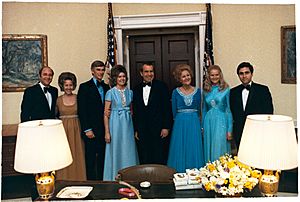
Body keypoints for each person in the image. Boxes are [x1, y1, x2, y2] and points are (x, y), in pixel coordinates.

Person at [103, 65, 139, 181]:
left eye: (123, 76)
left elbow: (132, 111)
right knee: (117, 149)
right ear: (115, 78)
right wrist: (107, 132)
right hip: (115, 124)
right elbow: (105, 114)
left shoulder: (130, 92)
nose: (122, 79)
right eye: (119, 77)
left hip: (128, 125)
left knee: (128, 149)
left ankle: (130, 176)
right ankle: (115, 176)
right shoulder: (110, 92)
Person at [132, 62, 172, 165]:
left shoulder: (162, 87)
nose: (149, 74)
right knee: (144, 156)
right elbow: (135, 111)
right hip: (142, 129)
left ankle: (159, 180)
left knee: (159, 156)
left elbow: (167, 108)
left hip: (158, 129)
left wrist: (166, 127)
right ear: (141, 73)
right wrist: (136, 129)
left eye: (151, 71)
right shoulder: (135, 89)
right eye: (146, 71)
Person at [167, 64, 204, 172]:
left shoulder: (198, 92)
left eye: (188, 75)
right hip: (180, 123)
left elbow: (200, 110)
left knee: (193, 147)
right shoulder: (175, 92)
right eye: (183, 76)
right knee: (180, 148)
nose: (186, 78)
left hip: (194, 122)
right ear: (179, 79)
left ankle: (194, 175)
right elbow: (174, 111)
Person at [77, 60, 110, 180]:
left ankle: (102, 182)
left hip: (104, 129)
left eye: (102, 70)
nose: (101, 72)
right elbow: (82, 110)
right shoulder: (84, 87)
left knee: (103, 157)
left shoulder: (107, 87)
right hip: (90, 129)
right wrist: (87, 129)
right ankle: (91, 182)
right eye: (98, 70)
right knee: (90, 158)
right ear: (92, 71)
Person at [230, 62, 274, 151]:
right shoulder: (233, 92)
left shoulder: (263, 90)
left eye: (247, 73)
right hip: (239, 131)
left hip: (257, 130)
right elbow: (231, 112)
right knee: (242, 156)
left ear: (252, 74)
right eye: (241, 73)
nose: (244, 76)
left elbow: (269, 111)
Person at [55, 72, 86, 181]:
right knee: (64, 154)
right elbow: (54, 116)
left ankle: (79, 179)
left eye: (71, 85)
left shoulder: (79, 98)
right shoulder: (58, 100)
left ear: (74, 85)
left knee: (77, 153)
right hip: (63, 131)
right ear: (62, 86)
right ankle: (64, 180)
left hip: (77, 129)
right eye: (66, 85)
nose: (69, 87)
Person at [202, 65, 233, 163]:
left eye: (217, 75)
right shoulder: (205, 90)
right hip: (208, 123)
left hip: (221, 122)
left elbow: (228, 110)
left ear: (220, 75)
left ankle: (220, 174)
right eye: (212, 75)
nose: (214, 77)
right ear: (208, 76)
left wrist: (229, 129)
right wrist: (202, 126)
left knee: (219, 148)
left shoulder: (226, 89)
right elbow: (204, 110)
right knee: (209, 148)